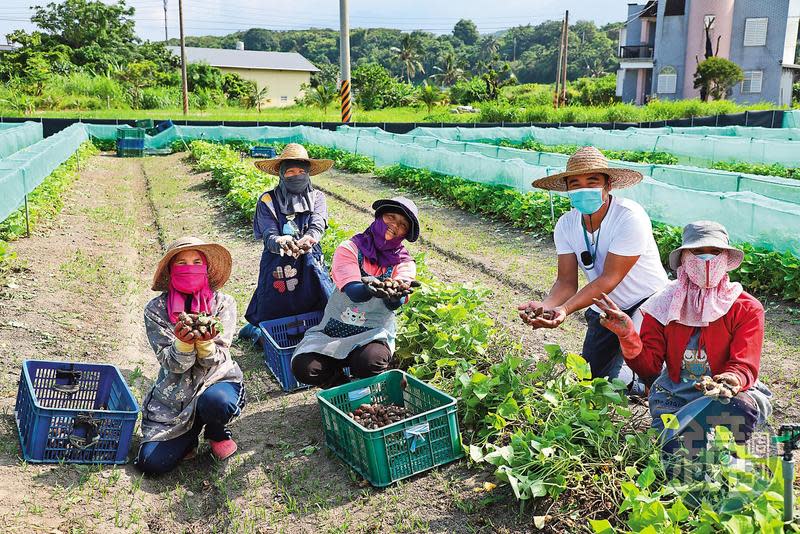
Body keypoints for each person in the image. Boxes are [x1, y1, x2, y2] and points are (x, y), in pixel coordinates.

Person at [594, 221, 772, 455]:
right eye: (697, 252)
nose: (707, 260)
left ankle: (727, 449)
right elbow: (649, 368)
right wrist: (628, 336)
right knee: (678, 457)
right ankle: (691, 447)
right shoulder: (661, 305)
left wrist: (730, 380)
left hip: (728, 393)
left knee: (739, 408)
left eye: (715, 252)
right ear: (684, 260)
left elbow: (744, 363)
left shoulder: (746, 308)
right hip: (676, 395)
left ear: (726, 259)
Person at [518, 146, 668, 393]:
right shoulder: (566, 225)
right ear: (568, 189)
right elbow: (566, 283)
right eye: (575, 183)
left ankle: (657, 377)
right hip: (606, 305)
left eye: (592, 180)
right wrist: (545, 307)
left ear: (608, 185)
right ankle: (634, 381)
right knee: (594, 382)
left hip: (647, 303)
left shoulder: (629, 216)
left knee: (649, 370)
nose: (583, 188)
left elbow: (610, 277)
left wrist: (565, 309)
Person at [136, 237, 245, 475]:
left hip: (216, 379)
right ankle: (190, 432)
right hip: (175, 393)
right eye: (182, 263)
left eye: (197, 262)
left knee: (218, 403)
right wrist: (184, 345)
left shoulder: (223, 303)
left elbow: (216, 358)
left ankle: (216, 430)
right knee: (152, 464)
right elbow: (170, 362)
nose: (190, 268)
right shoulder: (155, 310)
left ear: (206, 268)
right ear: (171, 270)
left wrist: (205, 344)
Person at [291, 197, 420, 388]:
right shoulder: (349, 248)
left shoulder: (404, 263)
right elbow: (354, 292)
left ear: (405, 233)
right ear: (378, 217)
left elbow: (396, 303)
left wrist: (396, 295)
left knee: (370, 361)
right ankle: (341, 388)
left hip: (373, 335)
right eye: (390, 217)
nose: (394, 225)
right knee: (305, 367)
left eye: (402, 225)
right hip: (332, 333)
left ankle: (364, 389)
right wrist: (370, 287)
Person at [239, 143, 336, 340]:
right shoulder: (267, 200)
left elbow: (317, 225)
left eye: (301, 171)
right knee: (276, 300)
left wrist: (309, 239)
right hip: (277, 260)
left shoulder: (317, 197)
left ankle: (313, 330)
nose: (296, 175)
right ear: (281, 174)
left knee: (315, 295)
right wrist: (281, 241)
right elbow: (268, 233)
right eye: (290, 172)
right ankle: (259, 330)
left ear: (308, 173)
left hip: (310, 257)